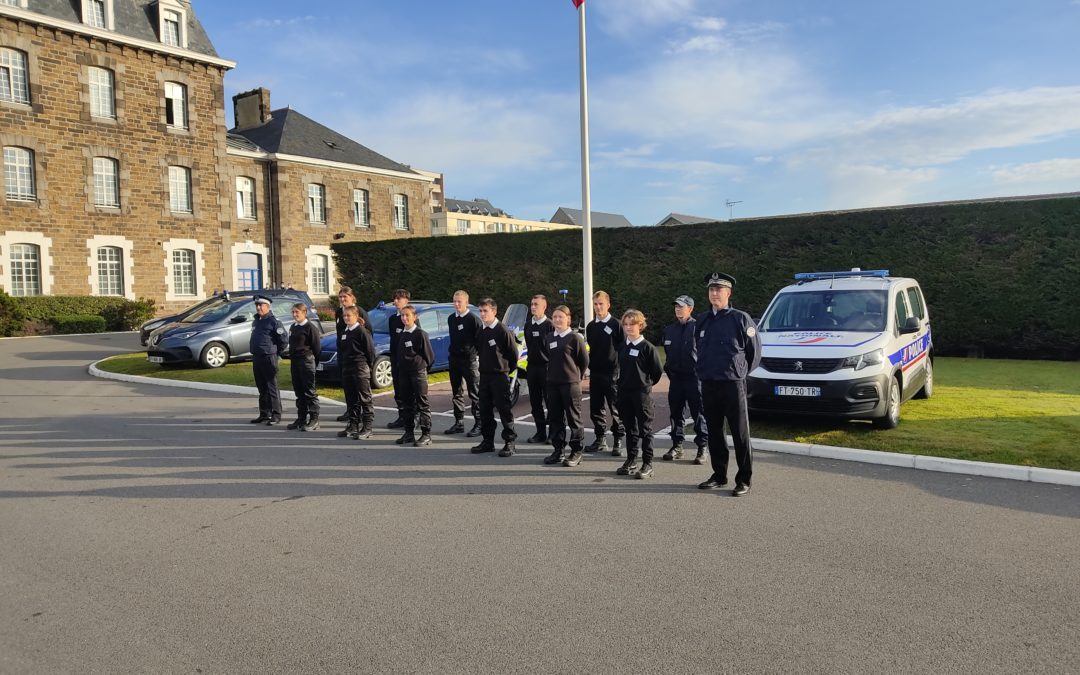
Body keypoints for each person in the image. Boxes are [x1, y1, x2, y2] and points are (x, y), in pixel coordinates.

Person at [695, 272, 762, 496]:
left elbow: (754, 353)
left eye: (719, 290)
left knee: (740, 433)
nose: (714, 293)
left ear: (728, 293)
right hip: (709, 384)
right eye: (711, 290)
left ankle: (744, 479)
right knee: (714, 432)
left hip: (733, 384)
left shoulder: (741, 319)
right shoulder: (702, 320)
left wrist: (740, 373)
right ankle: (719, 475)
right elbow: (699, 350)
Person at [615, 309, 663, 479]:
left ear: (640, 326)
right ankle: (631, 460)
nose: (628, 327)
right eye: (626, 324)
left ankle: (647, 463)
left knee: (645, 429)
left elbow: (656, 373)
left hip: (642, 395)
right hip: (624, 393)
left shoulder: (648, 348)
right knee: (630, 429)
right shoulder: (622, 346)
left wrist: (644, 385)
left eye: (632, 324)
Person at [661, 295, 710, 463]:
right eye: (676, 306)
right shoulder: (669, 329)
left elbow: (706, 353)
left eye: (681, 307)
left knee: (699, 413)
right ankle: (677, 445)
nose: (678, 309)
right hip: (676, 379)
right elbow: (667, 354)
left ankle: (702, 447)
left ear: (690, 309)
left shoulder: (698, 328)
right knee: (676, 413)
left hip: (694, 379)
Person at [471, 298, 518, 457]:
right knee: (484, 410)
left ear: (494, 311)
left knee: (504, 410)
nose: (482, 314)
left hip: (499, 376)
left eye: (486, 311)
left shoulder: (502, 330)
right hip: (484, 376)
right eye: (481, 311)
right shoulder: (481, 330)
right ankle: (487, 441)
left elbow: (513, 355)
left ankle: (509, 442)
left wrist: (504, 370)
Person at [544, 305, 589, 467]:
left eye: (561, 317)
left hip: (570, 385)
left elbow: (583, 361)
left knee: (573, 419)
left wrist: (576, 375)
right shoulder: (549, 337)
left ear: (568, 319)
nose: (557, 320)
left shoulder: (575, 338)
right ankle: (558, 450)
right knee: (555, 418)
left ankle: (576, 451)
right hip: (553, 384)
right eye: (555, 317)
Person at [585, 290, 624, 456]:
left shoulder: (616, 325)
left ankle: (618, 440)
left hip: (613, 374)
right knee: (596, 408)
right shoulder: (591, 326)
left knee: (615, 408)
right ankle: (600, 439)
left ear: (608, 304)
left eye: (601, 304)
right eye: (595, 304)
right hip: (596, 373)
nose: (598, 307)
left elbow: (622, 348)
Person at [444, 290, 483, 437]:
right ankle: (459, 422)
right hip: (454, 359)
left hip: (469, 361)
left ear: (466, 302)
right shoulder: (451, 319)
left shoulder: (473, 319)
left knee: (475, 393)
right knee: (456, 392)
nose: (456, 304)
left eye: (459, 301)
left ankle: (479, 424)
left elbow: (480, 340)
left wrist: (476, 356)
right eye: (454, 301)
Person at [395, 304, 435, 446]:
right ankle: (409, 433)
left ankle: (426, 434)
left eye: (407, 315)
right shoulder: (402, 333)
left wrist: (421, 368)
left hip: (418, 373)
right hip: (404, 374)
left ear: (414, 317)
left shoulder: (420, 334)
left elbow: (429, 357)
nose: (404, 318)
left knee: (422, 403)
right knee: (407, 404)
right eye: (402, 315)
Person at [336, 306, 375, 440]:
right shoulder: (344, 332)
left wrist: (367, 367)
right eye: (344, 316)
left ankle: (367, 427)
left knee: (365, 399)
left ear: (356, 315)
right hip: (347, 368)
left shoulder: (362, 331)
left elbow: (370, 352)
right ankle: (353, 425)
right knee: (351, 399)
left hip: (360, 367)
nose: (346, 318)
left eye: (349, 316)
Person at [249, 296, 288, 426]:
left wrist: (275, 353)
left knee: (272, 387)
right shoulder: (256, 321)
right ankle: (264, 413)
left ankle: (276, 414)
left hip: (268, 357)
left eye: (261, 305)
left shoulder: (273, 322)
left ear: (268, 306)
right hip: (257, 357)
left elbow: (283, 340)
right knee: (262, 388)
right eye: (257, 305)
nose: (258, 307)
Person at [334, 286, 370, 422]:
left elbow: (368, 334)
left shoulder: (359, 311)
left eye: (345, 297)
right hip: (344, 355)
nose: (343, 299)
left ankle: (361, 415)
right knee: (348, 388)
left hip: (358, 358)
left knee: (360, 389)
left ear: (352, 297)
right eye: (341, 297)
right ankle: (351, 412)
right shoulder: (339, 313)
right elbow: (339, 334)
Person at [523, 294, 554, 444]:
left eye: (536, 304)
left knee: (550, 401)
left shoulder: (550, 325)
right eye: (532, 304)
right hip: (532, 368)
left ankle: (553, 434)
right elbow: (529, 345)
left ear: (544, 306)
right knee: (535, 403)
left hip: (547, 368)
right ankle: (540, 432)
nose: (533, 307)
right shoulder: (528, 324)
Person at [287, 302, 322, 431]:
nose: (295, 314)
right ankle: (301, 418)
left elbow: (317, 348)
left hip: (306, 361)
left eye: (297, 312)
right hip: (295, 362)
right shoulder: (293, 327)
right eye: (293, 312)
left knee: (309, 392)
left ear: (304, 313)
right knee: (299, 392)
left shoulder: (310, 328)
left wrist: (313, 363)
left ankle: (314, 419)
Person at [386, 289, 414, 429]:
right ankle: (402, 416)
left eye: (399, 299)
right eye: (394, 299)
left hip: (408, 361)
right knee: (398, 390)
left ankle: (414, 417)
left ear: (406, 301)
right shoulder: (392, 319)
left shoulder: (411, 318)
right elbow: (393, 339)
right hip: (396, 359)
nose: (396, 301)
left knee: (410, 390)